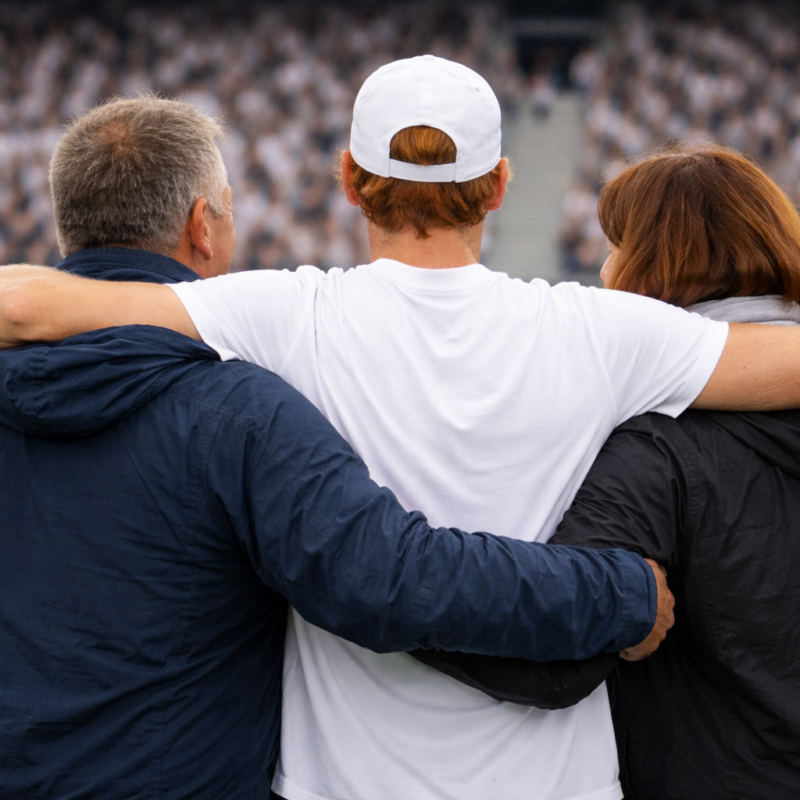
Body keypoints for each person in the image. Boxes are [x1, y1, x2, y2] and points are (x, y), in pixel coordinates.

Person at [3, 58, 800, 800]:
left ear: (349, 181)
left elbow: (29, 306)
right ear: (499, 187)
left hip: (340, 780)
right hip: (556, 781)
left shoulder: (283, 313)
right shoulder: (602, 330)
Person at [435, 145, 800, 798]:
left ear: (661, 265)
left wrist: (362, 579)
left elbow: (552, 659)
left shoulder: (661, 446)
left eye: (615, 246)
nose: (604, 269)